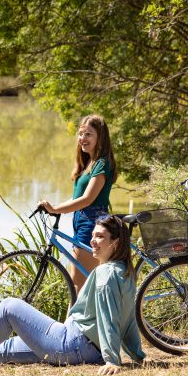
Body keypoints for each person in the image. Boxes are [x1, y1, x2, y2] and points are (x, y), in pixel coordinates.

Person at [0, 215, 145, 375]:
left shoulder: (105, 274)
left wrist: (112, 360)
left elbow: (109, 318)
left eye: (100, 237)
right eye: (93, 235)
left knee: (10, 307)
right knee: (10, 349)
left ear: (115, 243)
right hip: (85, 351)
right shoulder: (126, 272)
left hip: (72, 344)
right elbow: (127, 319)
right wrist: (138, 355)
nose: (92, 241)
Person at [38, 114, 117, 293]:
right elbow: (77, 199)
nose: (82, 138)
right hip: (82, 221)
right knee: (85, 287)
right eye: (81, 134)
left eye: (89, 134)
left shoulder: (102, 164)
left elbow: (87, 199)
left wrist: (56, 209)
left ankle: (69, 322)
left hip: (91, 224)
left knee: (77, 287)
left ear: (100, 138)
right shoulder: (90, 163)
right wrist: (54, 207)